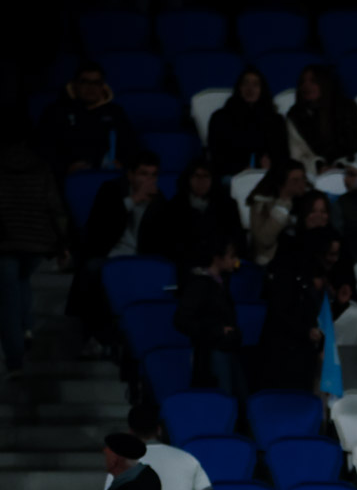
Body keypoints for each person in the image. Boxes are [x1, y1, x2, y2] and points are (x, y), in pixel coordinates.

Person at [66, 151, 168, 352]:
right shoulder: (111, 190)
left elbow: (163, 242)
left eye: (153, 175)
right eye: (143, 174)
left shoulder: (160, 201)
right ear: (130, 175)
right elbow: (97, 232)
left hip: (140, 260)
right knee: (92, 270)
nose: (148, 180)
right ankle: (95, 336)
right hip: (109, 256)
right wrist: (133, 201)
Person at [0, 114, 69, 379]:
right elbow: (54, 207)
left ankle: (15, 358)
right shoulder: (41, 166)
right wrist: (60, 242)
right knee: (20, 280)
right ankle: (27, 326)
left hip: (5, 241)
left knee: (7, 299)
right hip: (36, 241)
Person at [173, 233, 245, 397]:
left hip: (228, 348)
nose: (235, 260)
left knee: (238, 397)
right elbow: (181, 320)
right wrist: (217, 330)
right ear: (217, 257)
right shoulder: (200, 284)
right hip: (211, 353)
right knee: (222, 398)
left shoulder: (222, 282)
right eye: (231, 255)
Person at [37, 61, 137, 178]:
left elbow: (131, 145)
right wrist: (64, 168)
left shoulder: (115, 112)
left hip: (107, 175)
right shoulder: (56, 111)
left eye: (96, 83)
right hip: (65, 177)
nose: (91, 87)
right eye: (85, 82)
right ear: (75, 84)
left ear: (102, 86)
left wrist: (122, 164)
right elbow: (44, 148)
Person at [162, 158, 243, 282]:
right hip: (186, 268)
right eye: (196, 176)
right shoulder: (175, 207)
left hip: (222, 267)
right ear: (188, 178)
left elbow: (236, 237)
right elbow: (172, 243)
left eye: (206, 176)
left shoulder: (227, 206)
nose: (201, 181)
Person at [287, 64, 357, 175]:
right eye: (302, 82)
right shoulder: (295, 115)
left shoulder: (348, 109)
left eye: (313, 81)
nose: (306, 86)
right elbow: (298, 155)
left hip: (350, 172)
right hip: (313, 176)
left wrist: (341, 165)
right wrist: (319, 166)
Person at [207, 67, 288, 178]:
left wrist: (271, 164)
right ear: (239, 88)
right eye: (245, 83)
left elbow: (283, 154)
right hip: (231, 176)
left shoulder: (275, 121)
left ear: (262, 90)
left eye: (255, 84)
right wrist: (239, 168)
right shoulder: (221, 118)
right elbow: (217, 154)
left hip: (269, 176)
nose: (250, 89)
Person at [260, 252, 325, 392]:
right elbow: (282, 319)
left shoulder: (310, 292)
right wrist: (306, 331)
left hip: (301, 359)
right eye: (320, 277)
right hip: (282, 359)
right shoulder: (289, 289)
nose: (322, 282)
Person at [247, 159, 308, 266]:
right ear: (282, 182)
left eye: (303, 179)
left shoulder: (308, 199)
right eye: (295, 181)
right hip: (271, 262)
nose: (301, 184)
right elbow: (264, 240)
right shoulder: (261, 203)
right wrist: (283, 203)